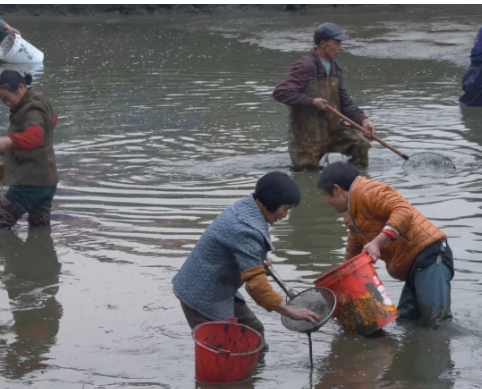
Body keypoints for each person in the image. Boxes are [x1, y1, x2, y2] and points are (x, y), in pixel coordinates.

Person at [173, 172, 320, 343]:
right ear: (272, 200)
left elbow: (240, 252)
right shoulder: (245, 228)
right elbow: (256, 285)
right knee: (223, 348)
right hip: (201, 294)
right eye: (285, 208)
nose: (285, 215)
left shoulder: (245, 207)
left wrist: (255, 261)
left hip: (221, 289)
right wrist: (289, 311)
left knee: (254, 332)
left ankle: (255, 369)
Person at [318, 162, 454, 328]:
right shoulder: (354, 216)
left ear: (336, 190)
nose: (326, 201)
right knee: (406, 322)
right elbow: (351, 260)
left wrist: (378, 241)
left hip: (430, 256)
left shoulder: (368, 190)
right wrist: (335, 290)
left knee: (438, 324)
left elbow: (403, 211)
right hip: (414, 265)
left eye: (326, 195)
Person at [273, 23, 375, 170]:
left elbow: (344, 102)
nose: (340, 47)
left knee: (361, 143)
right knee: (308, 173)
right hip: (307, 138)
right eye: (337, 43)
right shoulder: (305, 66)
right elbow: (280, 92)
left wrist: (363, 120)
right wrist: (311, 102)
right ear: (323, 44)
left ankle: (352, 183)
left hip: (332, 131)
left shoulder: (336, 67)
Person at [0, 71, 58, 231]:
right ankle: (41, 255)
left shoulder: (31, 109)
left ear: (20, 87)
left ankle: (7, 255)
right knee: (39, 228)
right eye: (2, 100)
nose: (6, 103)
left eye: (7, 98)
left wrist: (6, 141)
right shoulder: (39, 101)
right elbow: (52, 120)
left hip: (29, 183)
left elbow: (35, 137)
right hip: (47, 182)